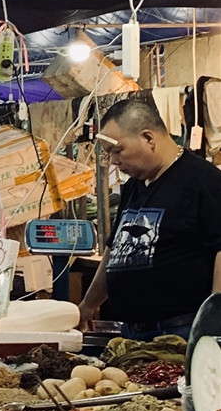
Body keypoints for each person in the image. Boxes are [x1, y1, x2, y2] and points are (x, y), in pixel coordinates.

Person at [77, 92, 221, 337]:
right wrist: (89, 304)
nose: (113, 161)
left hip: (180, 331)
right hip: (131, 332)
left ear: (148, 138)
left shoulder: (204, 181)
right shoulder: (134, 185)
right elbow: (115, 250)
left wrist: (214, 322)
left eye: (117, 150)